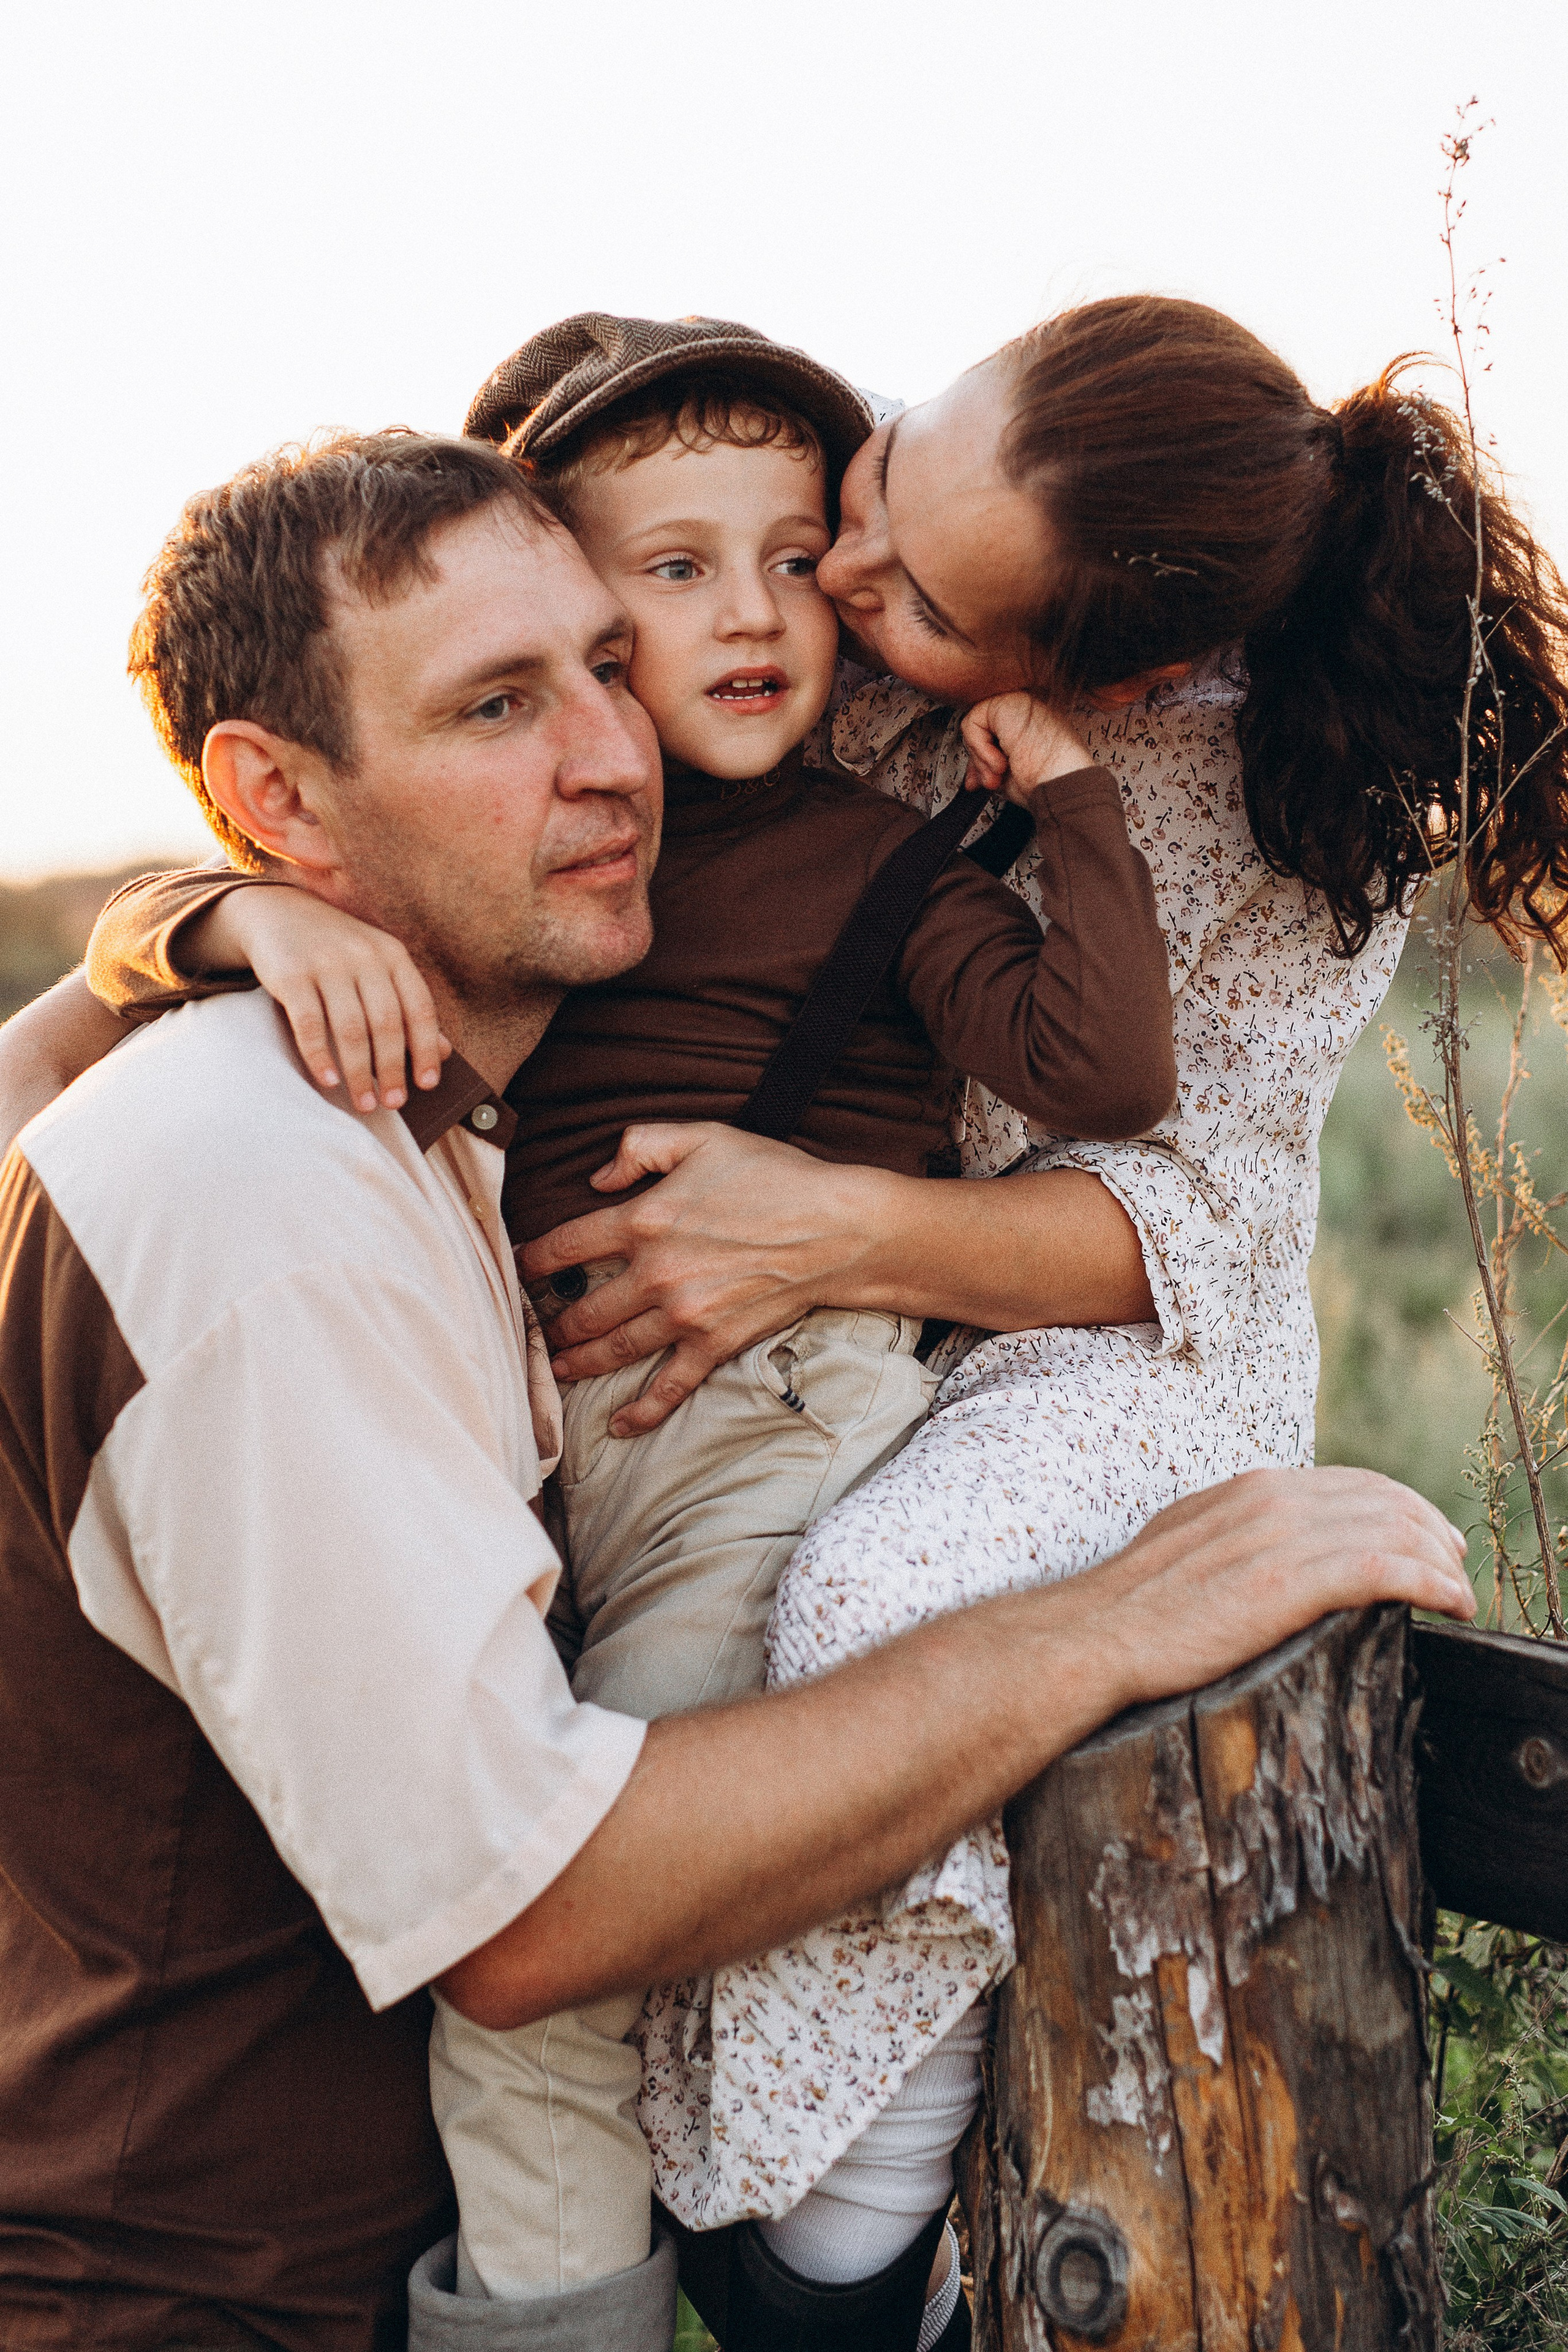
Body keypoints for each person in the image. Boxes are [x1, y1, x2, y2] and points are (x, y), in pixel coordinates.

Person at [0, 422, 1477, 2352]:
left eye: (610, 665)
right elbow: (531, 1913)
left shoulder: (421, 1124)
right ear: (277, 796)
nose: (615, 753)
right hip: (194, 2305)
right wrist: (1112, 1624)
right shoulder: (257, 1187)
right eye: (497, 705)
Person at [474, 300, 1568, 2305]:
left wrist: (830, 1230)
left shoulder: (1282, 799)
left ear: (1100, 676)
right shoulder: (826, 523)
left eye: (913, 601)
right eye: (884, 481)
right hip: (822, 1303)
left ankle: (851, 2255)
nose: (841, 575)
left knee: (870, 1606)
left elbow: (1189, 1223)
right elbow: (443, 618)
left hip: (1111, 1342)